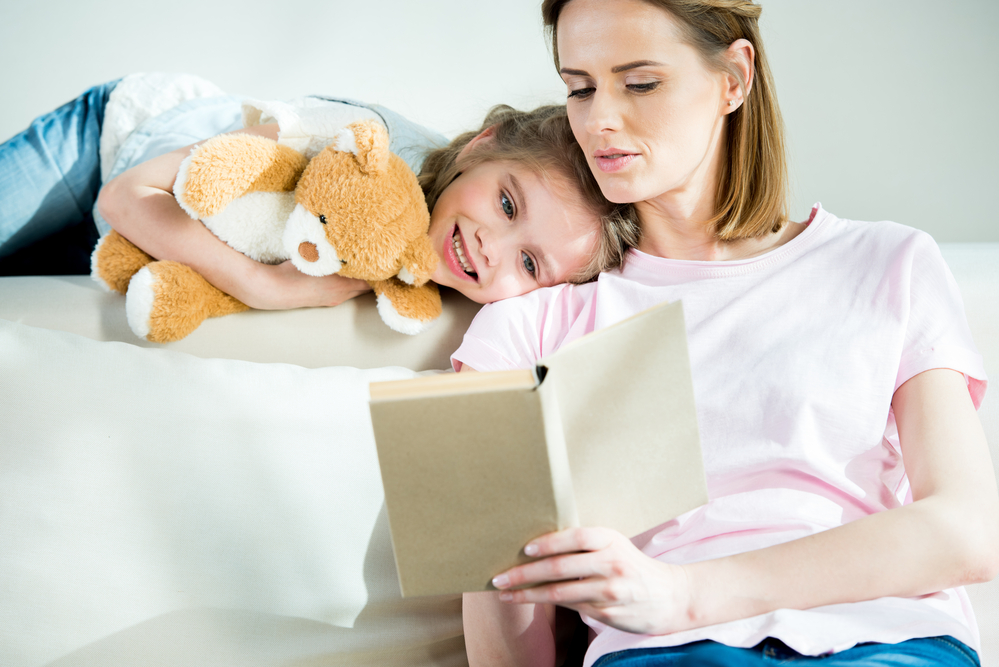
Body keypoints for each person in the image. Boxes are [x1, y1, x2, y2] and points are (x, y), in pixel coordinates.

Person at [455, 1, 999, 666]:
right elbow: (505, 599)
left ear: (732, 79)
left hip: (886, 640)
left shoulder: (888, 263)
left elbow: (967, 531)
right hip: (670, 654)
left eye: (640, 83)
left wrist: (685, 593)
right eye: (579, 86)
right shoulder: (527, 325)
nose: (598, 119)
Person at [0, 73, 640, 309]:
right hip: (114, 144)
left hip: (131, 240)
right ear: (482, 145)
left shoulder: (434, 283)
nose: (491, 247)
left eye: (529, 263)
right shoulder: (358, 147)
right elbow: (125, 196)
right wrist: (265, 286)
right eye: (507, 204)